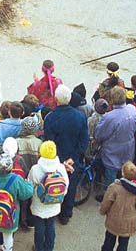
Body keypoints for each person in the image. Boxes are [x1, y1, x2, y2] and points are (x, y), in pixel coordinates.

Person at [43, 85, 88, 225]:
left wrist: (61, 160)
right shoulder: (80, 116)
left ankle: (52, 210)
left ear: (56, 99)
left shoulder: (50, 117)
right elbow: (83, 141)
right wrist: (72, 159)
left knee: (53, 184)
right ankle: (66, 214)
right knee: (71, 186)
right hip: (73, 160)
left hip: (56, 159)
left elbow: (49, 142)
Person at [0, 153, 34, 251]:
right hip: (10, 215)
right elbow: (27, 193)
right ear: (11, 167)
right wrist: (28, 183)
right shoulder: (16, 179)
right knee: (8, 236)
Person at [27, 141, 68, 251]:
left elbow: (29, 187)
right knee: (51, 226)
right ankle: (49, 248)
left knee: (39, 228)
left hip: (39, 205)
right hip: (54, 205)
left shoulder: (35, 169)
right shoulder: (60, 168)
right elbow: (65, 186)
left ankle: (38, 248)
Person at [99, 161, 136, 251]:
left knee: (109, 242)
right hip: (128, 222)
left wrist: (102, 211)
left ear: (122, 173)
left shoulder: (114, 187)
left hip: (114, 219)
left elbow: (107, 202)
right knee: (124, 244)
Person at [95, 87, 136, 185]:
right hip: (129, 149)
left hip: (113, 152)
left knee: (111, 178)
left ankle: (109, 195)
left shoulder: (109, 117)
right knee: (126, 175)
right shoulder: (132, 109)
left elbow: (99, 135)